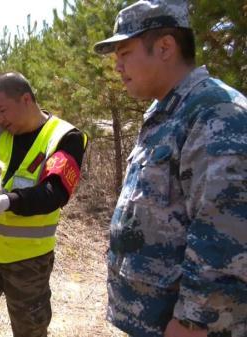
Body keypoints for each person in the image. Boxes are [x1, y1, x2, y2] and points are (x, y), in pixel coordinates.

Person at [93, 1, 247, 336]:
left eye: (124, 53)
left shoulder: (216, 113)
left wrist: (192, 322)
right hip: (153, 320)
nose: (117, 66)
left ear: (165, 47)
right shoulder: (168, 110)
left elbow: (224, 232)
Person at [0, 72, 87, 337]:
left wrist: (9, 201)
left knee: (30, 329)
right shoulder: (0, 127)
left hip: (28, 259)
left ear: (26, 99)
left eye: (3, 110)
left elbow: (54, 192)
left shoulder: (64, 137)